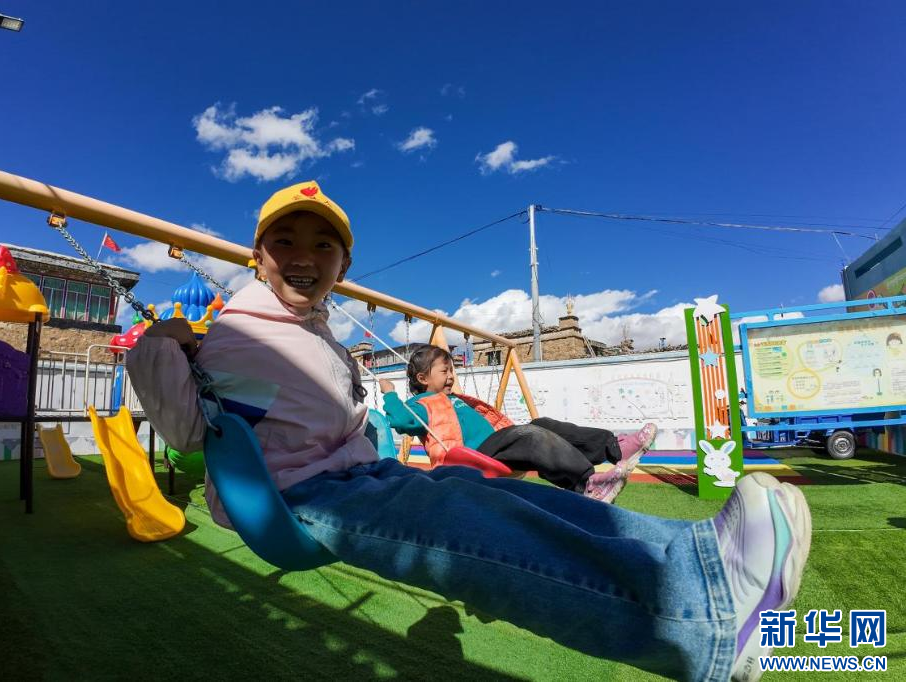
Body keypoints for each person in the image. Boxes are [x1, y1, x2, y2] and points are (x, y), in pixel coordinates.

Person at [127, 180, 812, 682]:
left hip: (358, 475)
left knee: (499, 493)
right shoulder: (235, 332)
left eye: (322, 244)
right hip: (296, 499)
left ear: (343, 266)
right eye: (285, 241)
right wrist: (161, 345)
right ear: (257, 255)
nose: (303, 255)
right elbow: (188, 433)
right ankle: (702, 623)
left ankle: (695, 555)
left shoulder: (317, 333)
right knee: (459, 519)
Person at [379, 344, 657, 502]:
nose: (451, 376)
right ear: (423, 379)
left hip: (496, 446)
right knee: (529, 435)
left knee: (542, 423)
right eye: (444, 371)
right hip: (469, 457)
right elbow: (400, 421)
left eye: (452, 370)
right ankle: (588, 484)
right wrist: (390, 393)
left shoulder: (455, 399)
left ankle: (615, 448)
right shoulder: (421, 404)